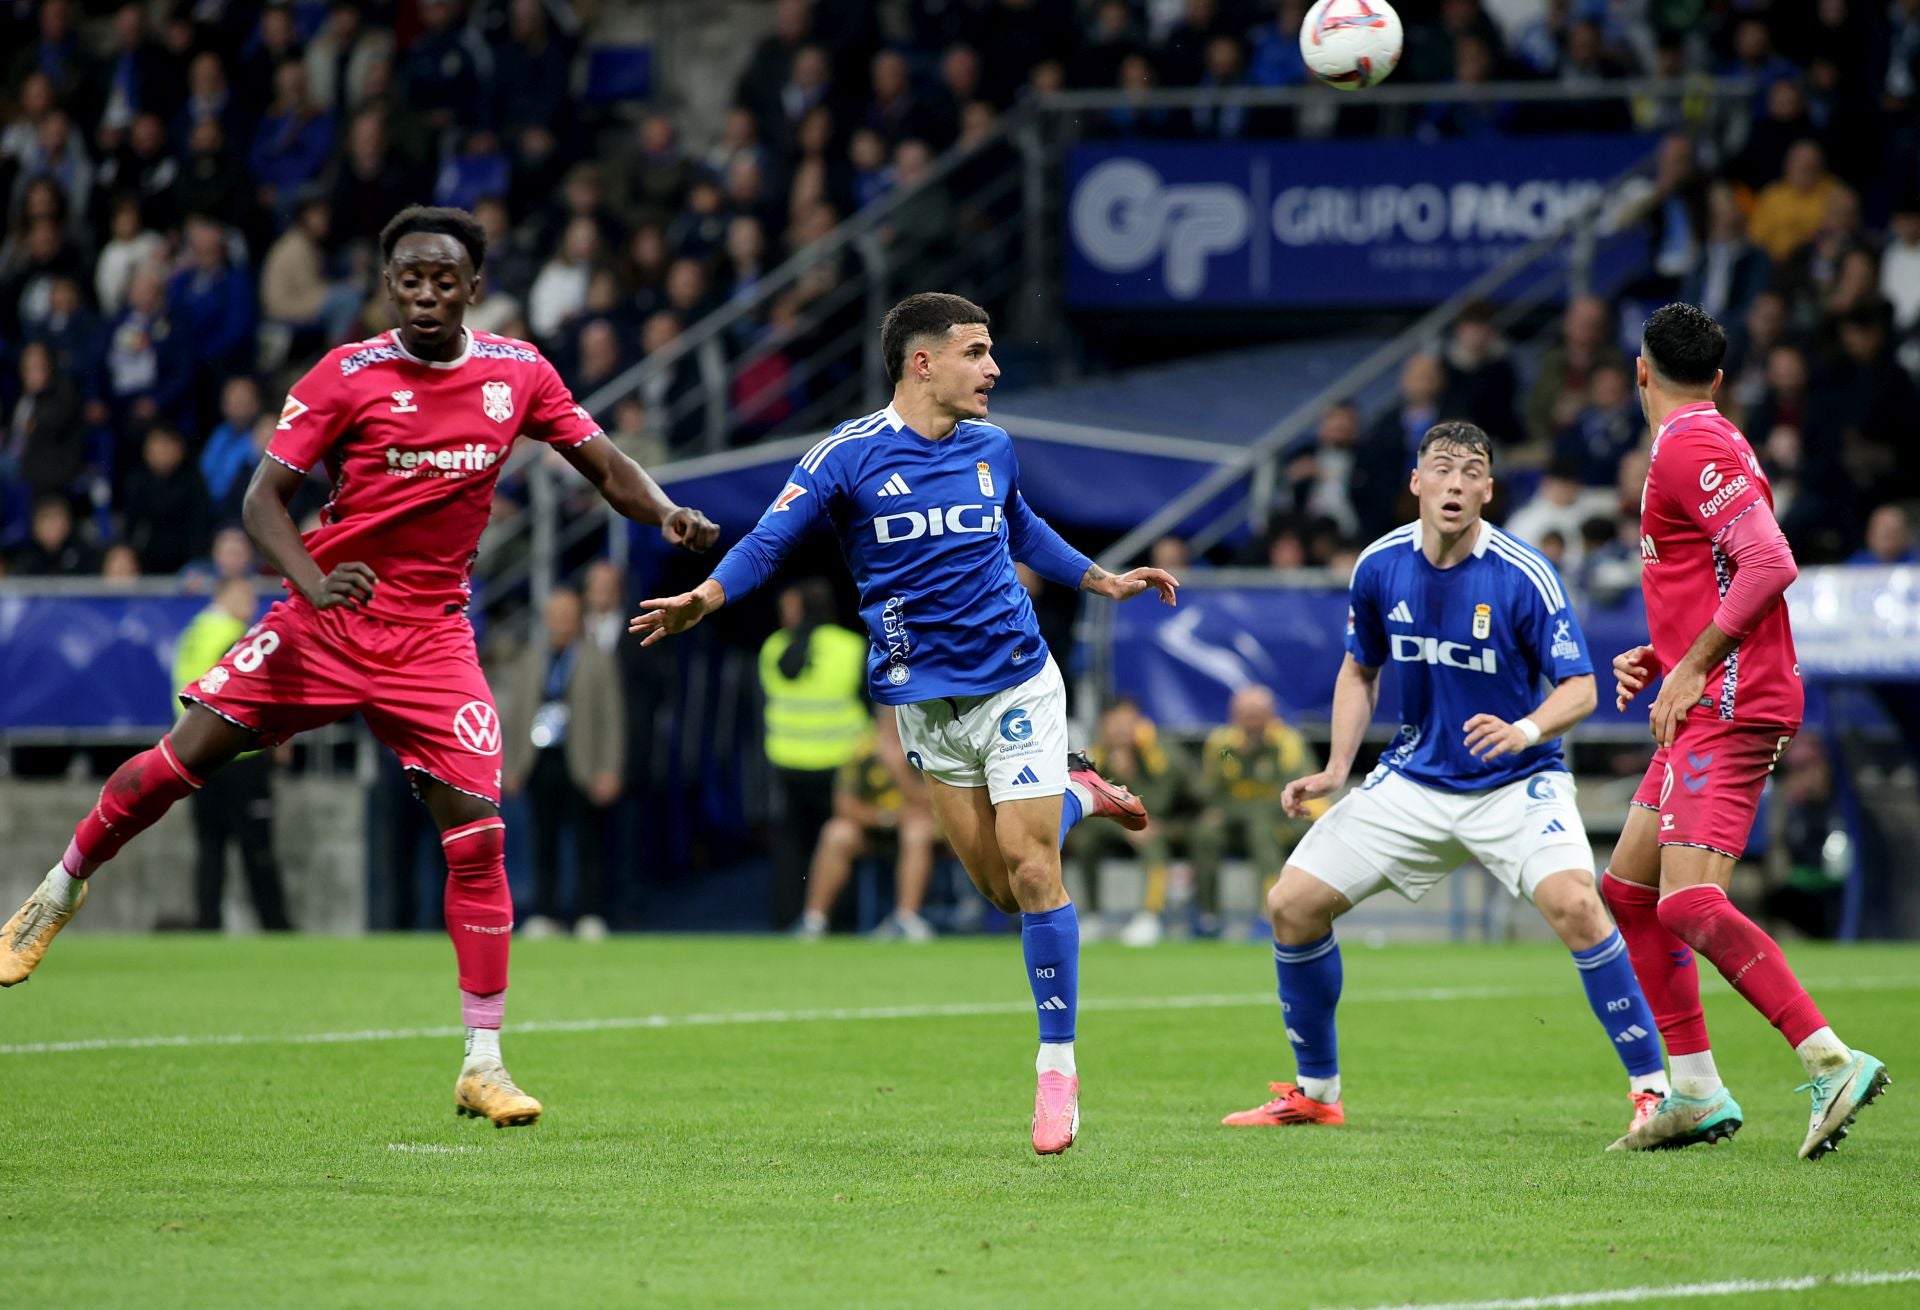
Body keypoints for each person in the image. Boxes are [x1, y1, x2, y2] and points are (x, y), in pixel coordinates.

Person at [0, 206, 720, 1131]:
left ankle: (484, 1061)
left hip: (432, 643)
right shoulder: (345, 377)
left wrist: (664, 512)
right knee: (182, 761)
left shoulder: (518, 374)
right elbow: (263, 502)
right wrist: (310, 578)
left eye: (444, 280)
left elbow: (606, 464)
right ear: (390, 285)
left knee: (480, 837)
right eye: (410, 279)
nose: (426, 294)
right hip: (324, 622)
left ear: (473, 287)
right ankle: (58, 889)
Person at [631, 292, 1176, 1155]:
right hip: (924, 703)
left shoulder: (993, 445)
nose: (993, 367)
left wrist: (1098, 580)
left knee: (1035, 872)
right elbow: (770, 540)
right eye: (977, 351)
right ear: (923, 362)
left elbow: (1021, 525)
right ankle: (1079, 793)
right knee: (1000, 888)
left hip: (1017, 683)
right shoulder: (846, 457)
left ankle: (1057, 1066)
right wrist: (707, 595)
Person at [1221, 421, 1672, 1142]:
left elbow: (1581, 688)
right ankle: (1315, 1092)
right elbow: (1359, 669)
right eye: (1443, 469)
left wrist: (1524, 731)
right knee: (1292, 905)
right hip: (1415, 777)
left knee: (1578, 906)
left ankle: (1655, 1092)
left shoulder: (1524, 573)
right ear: (1417, 483)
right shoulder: (1378, 565)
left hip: (1515, 781)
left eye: (1471, 472)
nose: (1456, 483)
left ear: (1489, 490)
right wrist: (1338, 768)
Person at [1605, 303, 1887, 1158]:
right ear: (1718, 377)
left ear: (1641, 371)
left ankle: (1829, 1058)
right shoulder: (1705, 439)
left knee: (1689, 901)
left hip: (1727, 705)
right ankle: (1693, 1090)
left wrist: (1692, 667)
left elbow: (1770, 560)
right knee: (1628, 892)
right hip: (1704, 692)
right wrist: (1665, 656)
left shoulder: (1692, 443)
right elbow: (1720, 571)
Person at [502, 586, 624, 942]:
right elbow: (516, 713)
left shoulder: (596, 657)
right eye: (555, 615)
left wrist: (610, 768)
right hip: (540, 760)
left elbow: (611, 716)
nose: (561, 622)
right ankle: (545, 913)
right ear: (546, 619)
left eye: (568, 616)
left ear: (578, 619)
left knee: (588, 842)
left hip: (582, 761)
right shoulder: (530, 658)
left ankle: (589, 913)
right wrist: (511, 765)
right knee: (544, 842)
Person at [174, 577, 293, 933]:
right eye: (245, 595)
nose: (252, 603)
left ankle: (208, 923)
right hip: (238, 757)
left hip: (197, 756)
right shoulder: (236, 636)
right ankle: (275, 926)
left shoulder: (194, 633)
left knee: (210, 847)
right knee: (258, 847)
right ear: (224, 596)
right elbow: (256, 689)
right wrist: (280, 738)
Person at [758, 579, 870, 931]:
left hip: (785, 762)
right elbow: (871, 703)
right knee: (840, 844)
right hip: (839, 764)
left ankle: (790, 919)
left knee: (790, 850)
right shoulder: (850, 646)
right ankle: (838, 921)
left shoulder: (773, 648)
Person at [794, 707, 938, 942]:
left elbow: (934, 805)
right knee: (836, 832)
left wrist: (898, 769)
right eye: (887, 718)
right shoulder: (862, 750)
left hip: (921, 829)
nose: (892, 724)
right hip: (876, 827)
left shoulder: (927, 745)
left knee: (916, 832)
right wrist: (885, 817)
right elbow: (844, 806)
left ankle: (906, 919)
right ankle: (813, 921)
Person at [1189, 685, 1317, 935]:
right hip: (1233, 818)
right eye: (1245, 713)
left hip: (1281, 818)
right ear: (1233, 715)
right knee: (1205, 833)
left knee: (1262, 832)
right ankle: (1207, 914)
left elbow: (1295, 786)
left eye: (1258, 712)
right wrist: (1237, 754)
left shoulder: (1285, 742)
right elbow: (1212, 786)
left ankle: (1267, 913)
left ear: (1271, 714)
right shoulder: (1224, 744)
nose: (1252, 719)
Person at [1065, 697, 1178, 947]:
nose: (1121, 730)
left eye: (1128, 723)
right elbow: (1084, 806)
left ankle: (1150, 915)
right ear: (1103, 725)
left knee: (1153, 841)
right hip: (1113, 830)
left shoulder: (1157, 754)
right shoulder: (1089, 759)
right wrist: (1125, 831)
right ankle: (1092, 915)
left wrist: (1131, 774)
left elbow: (1160, 803)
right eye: (1115, 724)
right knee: (1084, 841)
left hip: (1155, 826)